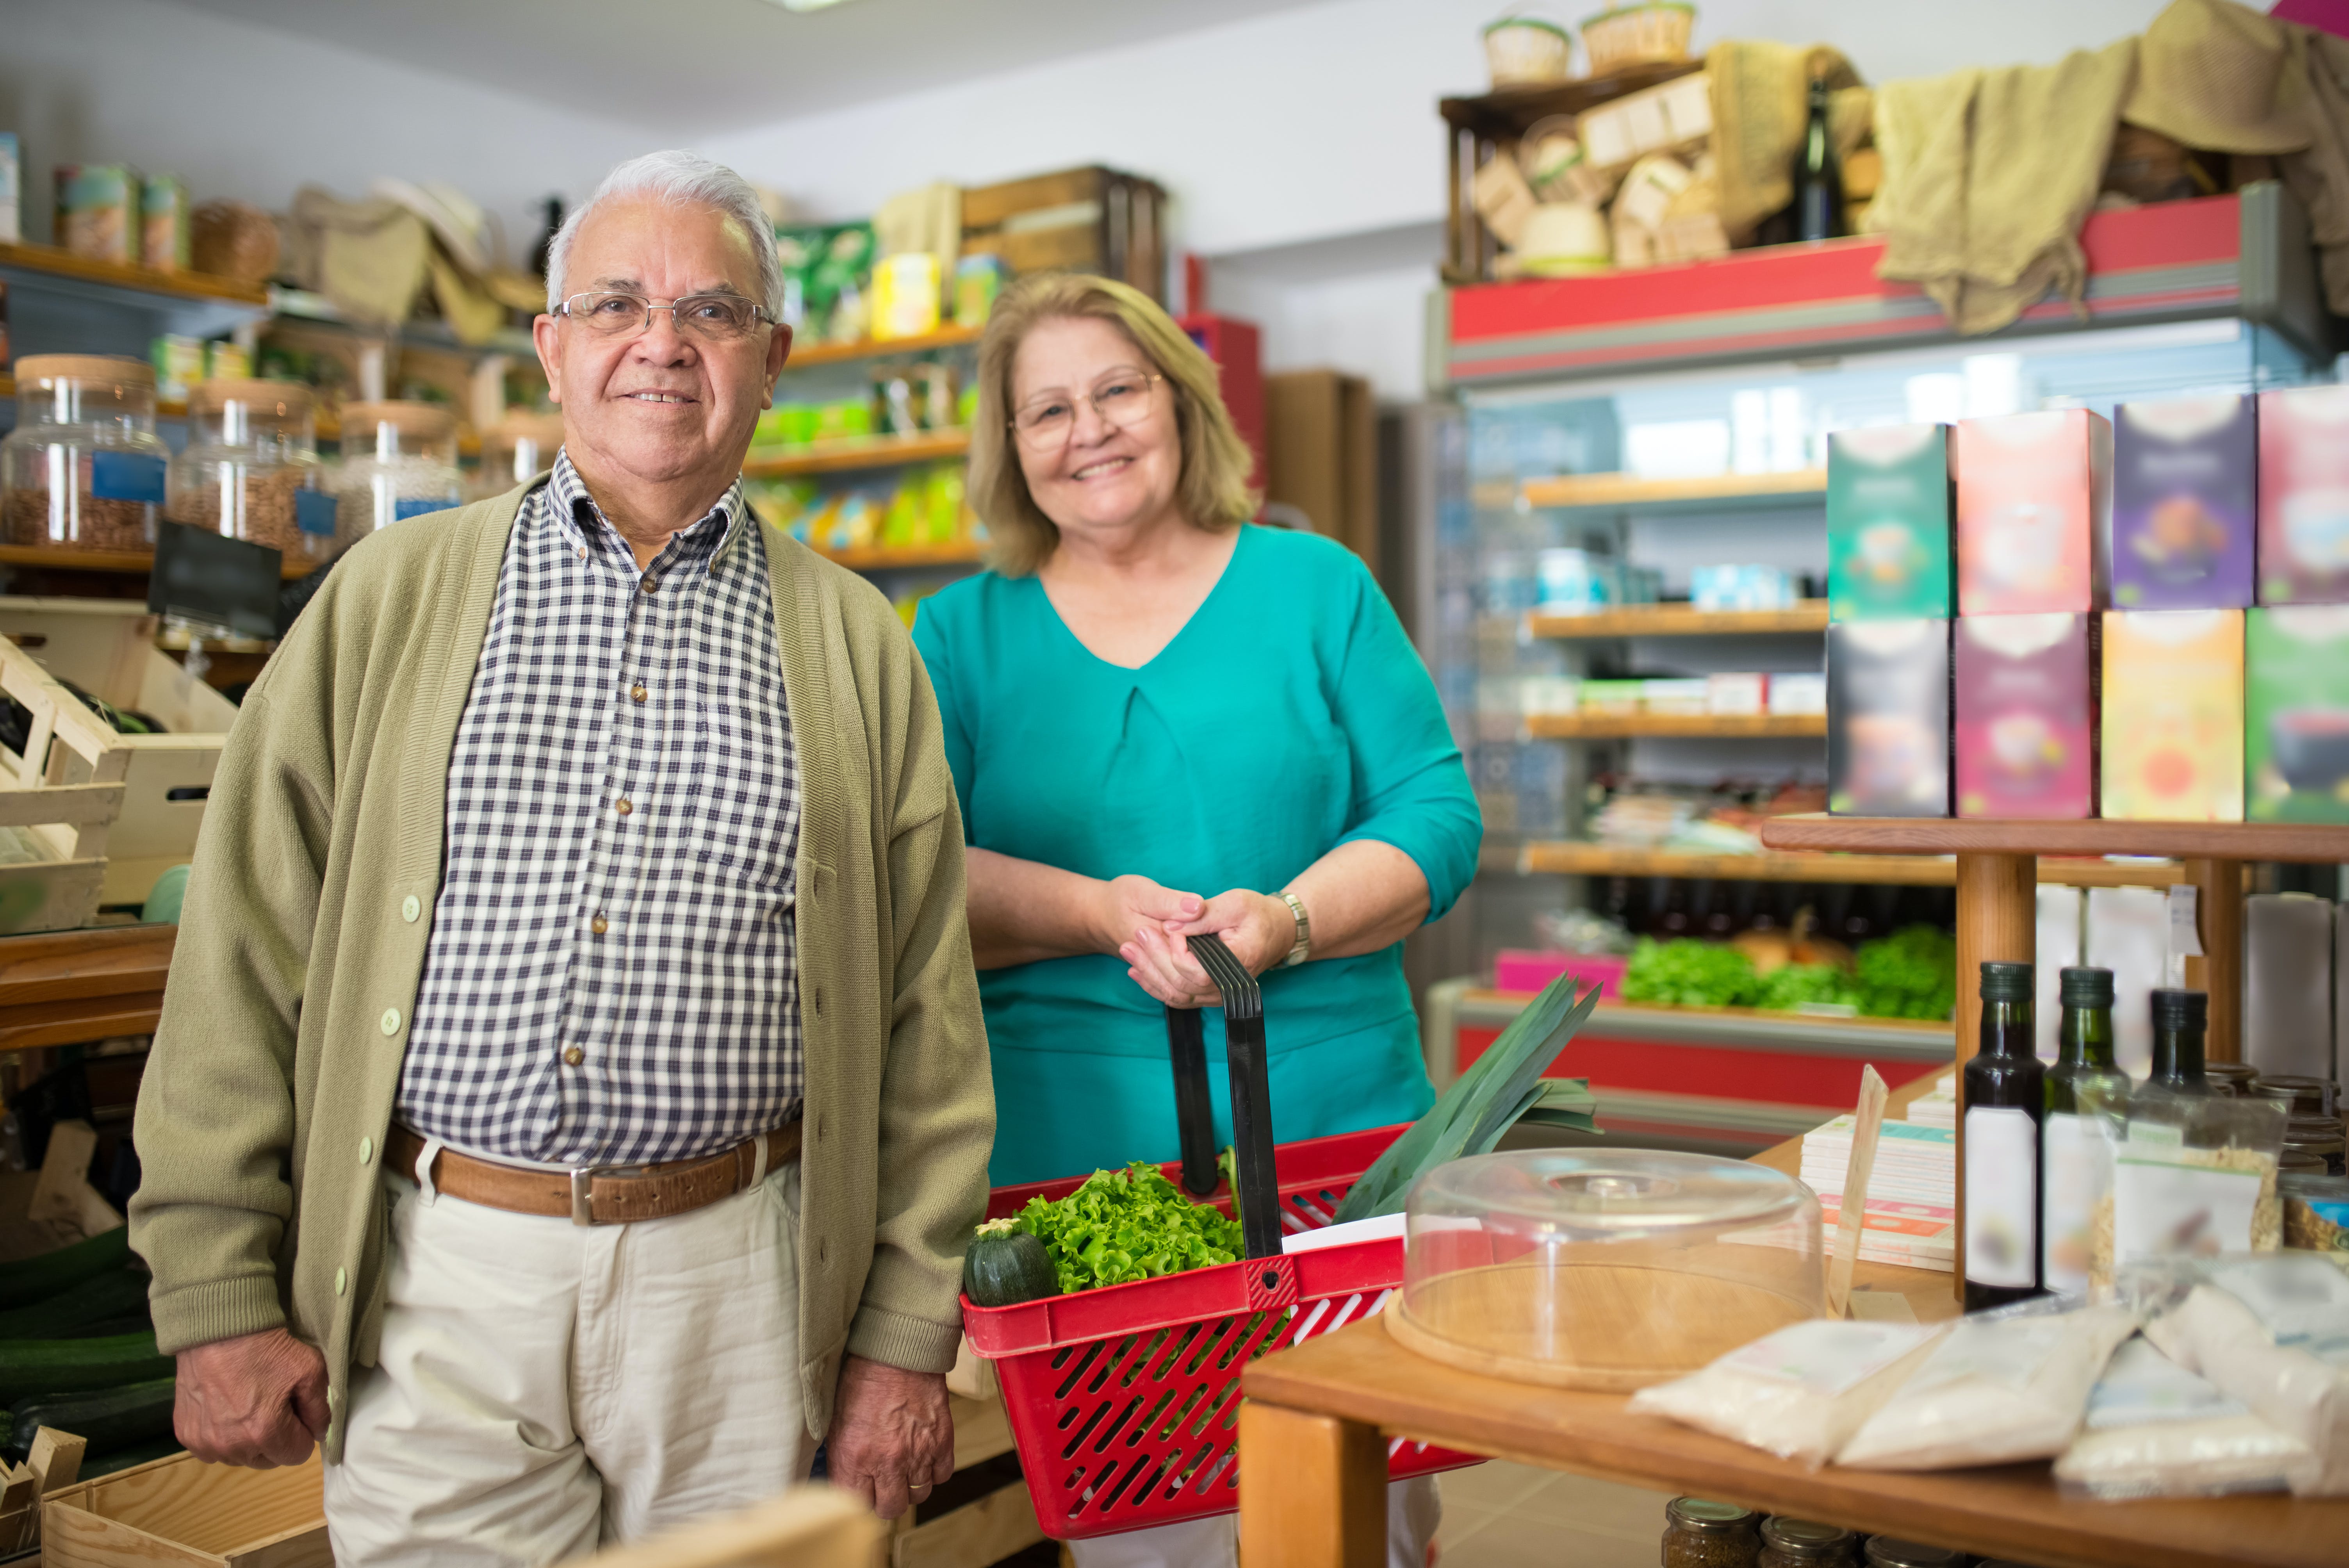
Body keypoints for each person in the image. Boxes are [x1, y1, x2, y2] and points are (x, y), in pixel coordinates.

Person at [127, 150, 993, 1566]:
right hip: (438, 1274)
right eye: (616, 304)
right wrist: (215, 1290)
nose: (663, 342)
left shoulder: (858, 645)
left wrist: (902, 1338)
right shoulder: (385, 598)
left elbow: (926, 1022)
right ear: (551, 347)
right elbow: (240, 951)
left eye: (713, 311)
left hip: (747, 1288)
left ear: (772, 360)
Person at [909, 272, 1478, 1566]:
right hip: (1078, 1161)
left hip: (1336, 1147)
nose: (1090, 431)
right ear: (1010, 446)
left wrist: (1286, 920)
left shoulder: (1316, 588)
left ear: (1180, 401)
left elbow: (1436, 815)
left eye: (1118, 390)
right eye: (1047, 409)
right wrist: (1093, 912)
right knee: (1141, 1523)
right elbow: (916, 874)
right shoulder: (959, 635)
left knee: (1361, 1517)